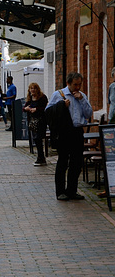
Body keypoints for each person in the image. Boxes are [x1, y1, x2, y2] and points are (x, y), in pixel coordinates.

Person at [46, 72, 92, 201]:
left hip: (77, 131)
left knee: (76, 163)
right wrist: (61, 105)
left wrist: (82, 100)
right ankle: (60, 191)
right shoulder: (58, 94)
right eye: (75, 85)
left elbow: (88, 114)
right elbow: (48, 112)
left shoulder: (82, 96)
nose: (77, 87)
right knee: (62, 162)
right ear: (68, 83)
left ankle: (72, 190)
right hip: (64, 132)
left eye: (79, 84)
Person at [24, 82, 48, 166]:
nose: (33, 90)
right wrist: (26, 108)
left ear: (37, 89)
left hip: (41, 121)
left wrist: (36, 109)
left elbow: (45, 108)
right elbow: (24, 107)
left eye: (34, 88)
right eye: (31, 88)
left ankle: (41, 157)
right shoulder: (30, 98)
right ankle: (40, 157)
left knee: (39, 138)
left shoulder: (42, 97)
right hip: (33, 121)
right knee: (36, 139)